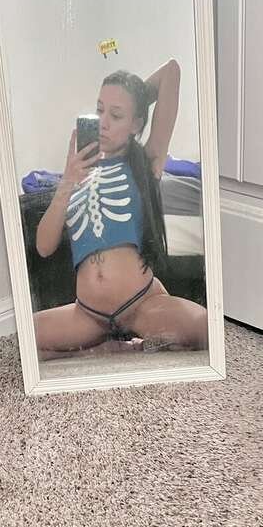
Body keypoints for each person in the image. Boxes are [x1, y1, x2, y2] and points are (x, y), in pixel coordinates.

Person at [32, 59, 208, 360]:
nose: (103, 123)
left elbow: (171, 72)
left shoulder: (145, 162)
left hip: (141, 304)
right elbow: (44, 246)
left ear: (136, 124)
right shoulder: (74, 175)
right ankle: (99, 350)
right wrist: (67, 181)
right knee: (24, 338)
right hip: (87, 315)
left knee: (206, 327)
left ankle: (139, 343)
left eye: (116, 115)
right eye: (99, 110)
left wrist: (134, 99)